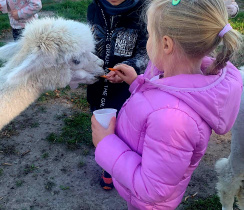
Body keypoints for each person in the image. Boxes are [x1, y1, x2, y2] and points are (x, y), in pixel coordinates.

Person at [91, 0, 243, 209]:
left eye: (149, 34)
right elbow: (158, 100)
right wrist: (137, 82)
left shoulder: (173, 120)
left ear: (166, 44)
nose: (147, 41)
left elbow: (152, 190)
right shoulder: (176, 81)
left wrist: (106, 143)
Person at [86, 0, 148, 190]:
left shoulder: (144, 10)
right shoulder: (94, 8)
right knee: (100, 119)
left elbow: (148, 51)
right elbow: (86, 42)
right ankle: (107, 159)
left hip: (128, 84)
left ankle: (116, 168)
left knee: (124, 127)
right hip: (96, 81)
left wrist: (131, 67)